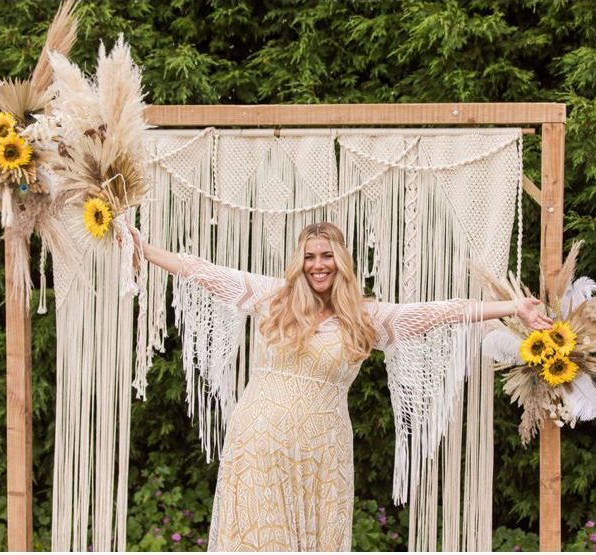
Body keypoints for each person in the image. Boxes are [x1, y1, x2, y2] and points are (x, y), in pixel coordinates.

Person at [129, 221, 550, 552]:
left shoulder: (365, 318)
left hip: (323, 452)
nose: (318, 265)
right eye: (310, 256)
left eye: (327, 255)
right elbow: (202, 272)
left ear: (342, 261)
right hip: (258, 443)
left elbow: (440, 313)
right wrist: (145, 250)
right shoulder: (273, 298)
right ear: (299, 262)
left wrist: (514, 306)